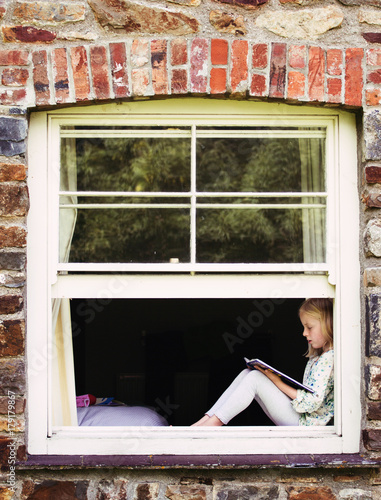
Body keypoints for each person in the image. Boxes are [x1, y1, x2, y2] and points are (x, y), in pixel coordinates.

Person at [192, 298, 334, 427]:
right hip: (301, 417)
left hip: (306, 424)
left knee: (255, 378)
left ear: (327, 324)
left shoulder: (328, 359)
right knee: (247, 373)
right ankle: (200, 424)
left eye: (309, 327)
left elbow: (312, 401)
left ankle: (210, 426)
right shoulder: (319, 357)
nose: (304, 333)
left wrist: (277, 381)